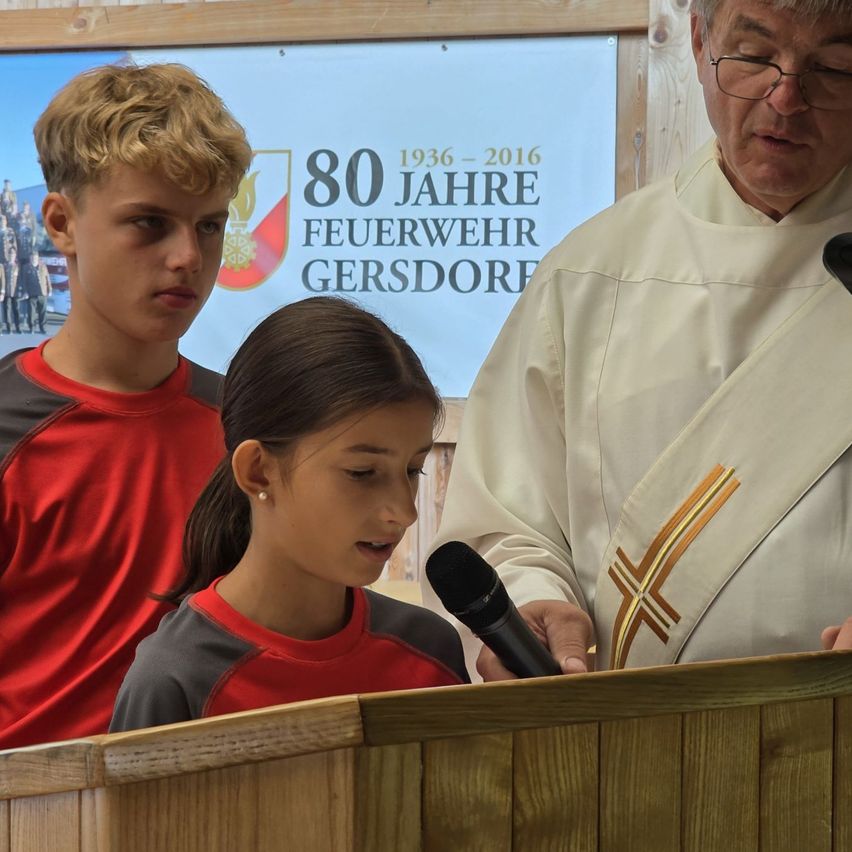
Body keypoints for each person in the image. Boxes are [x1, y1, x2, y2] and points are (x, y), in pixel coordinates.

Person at [423, 0, 852, 680]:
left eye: (833, 66)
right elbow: (510, 521)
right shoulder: (591, 275)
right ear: (698, 39)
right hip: (628, 727)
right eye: (753, 55)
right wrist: (533, 604)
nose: (786, 98)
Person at [0, 62, 252, 748]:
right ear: (61, 223)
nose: (187, 257)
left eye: (209, 226)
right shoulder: (9, 435)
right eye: (149, 223)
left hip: (214, 789)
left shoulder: (248, 430)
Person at [110, 297, 468, 731]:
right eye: (361, 473)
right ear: (258, 471)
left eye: (413, 470)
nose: (404, 511)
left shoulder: (431, 651)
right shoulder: (175, 680)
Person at [17, 249, 51, 334]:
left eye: (35, 257)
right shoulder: (26, 267)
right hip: (31, 293)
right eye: (32, 257)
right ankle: (32, 327)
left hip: (42, 293)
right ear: (30, 258)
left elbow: (47, 278)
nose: (33, 258)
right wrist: (25, 292)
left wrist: (50, 289)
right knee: (31, 312)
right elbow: (24, 281)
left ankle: (43, 328)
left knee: (42, 312)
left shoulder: (43, 266)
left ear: (38, 257)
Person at [0, 213, 19, 334]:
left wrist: (13, 256)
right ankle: (4, 324)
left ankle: (15, 325)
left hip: (8, 262)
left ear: (6, 222)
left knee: (11, 299)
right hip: (1, 263)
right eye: (1, 222)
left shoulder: (10, 232)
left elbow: (14, 246)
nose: (2, 223)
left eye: (4, 221)